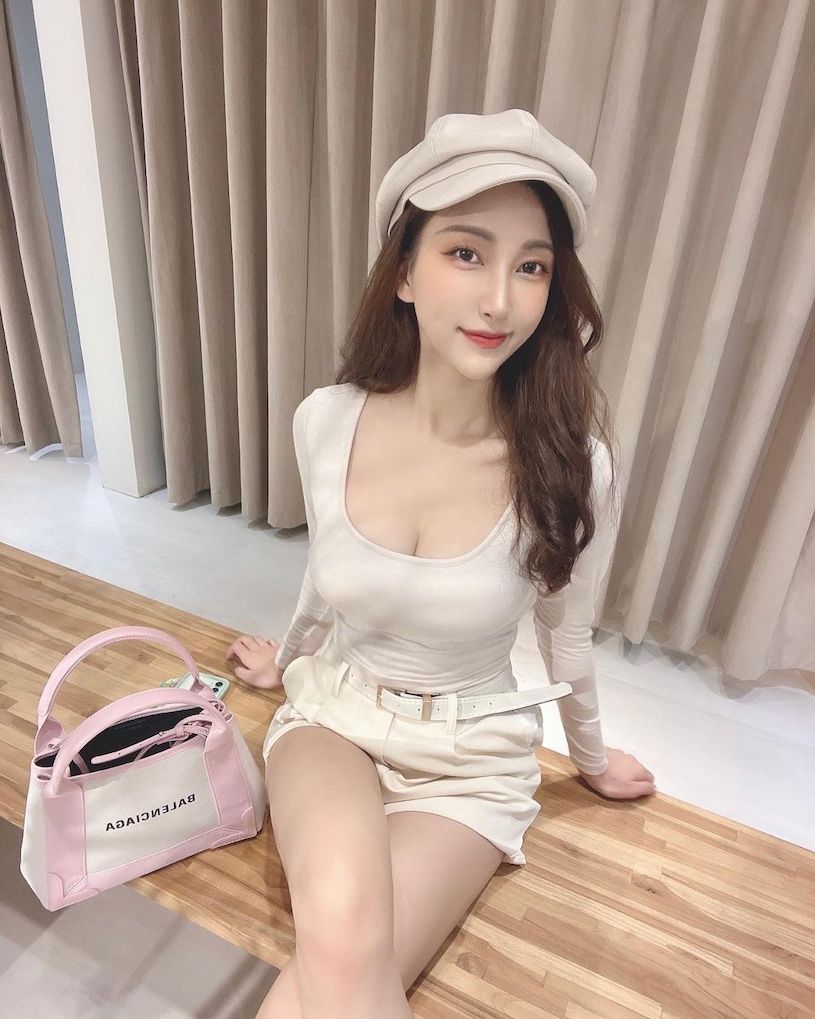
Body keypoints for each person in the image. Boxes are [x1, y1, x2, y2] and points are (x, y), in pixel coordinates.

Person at [226, 109, 655, 1019]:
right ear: (404, 273)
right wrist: (285, 657)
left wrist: (587, 759)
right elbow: (324, 572)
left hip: (469, 760)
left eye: (531, 266)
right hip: (335, 718)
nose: (500, 299)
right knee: (343, 939)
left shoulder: (571, 462)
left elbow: (567, 632)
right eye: (466, 253)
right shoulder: (326, 419)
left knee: (328, 980)